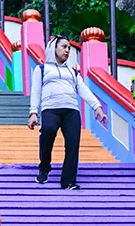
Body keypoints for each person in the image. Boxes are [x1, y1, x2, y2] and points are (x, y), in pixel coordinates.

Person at [28, 36, 107, 189]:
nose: (67, 50)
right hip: (50, 109)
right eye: (64, 47)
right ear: (53, 48)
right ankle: (44, 167)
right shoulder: (42, 69)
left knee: (72, 144)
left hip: (71, 111)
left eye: (69, 48)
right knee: (48, 132)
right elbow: (35, 91)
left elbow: (83, 90)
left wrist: (97, 106)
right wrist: (33, 112)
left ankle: (68, 181)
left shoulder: (73, 72)